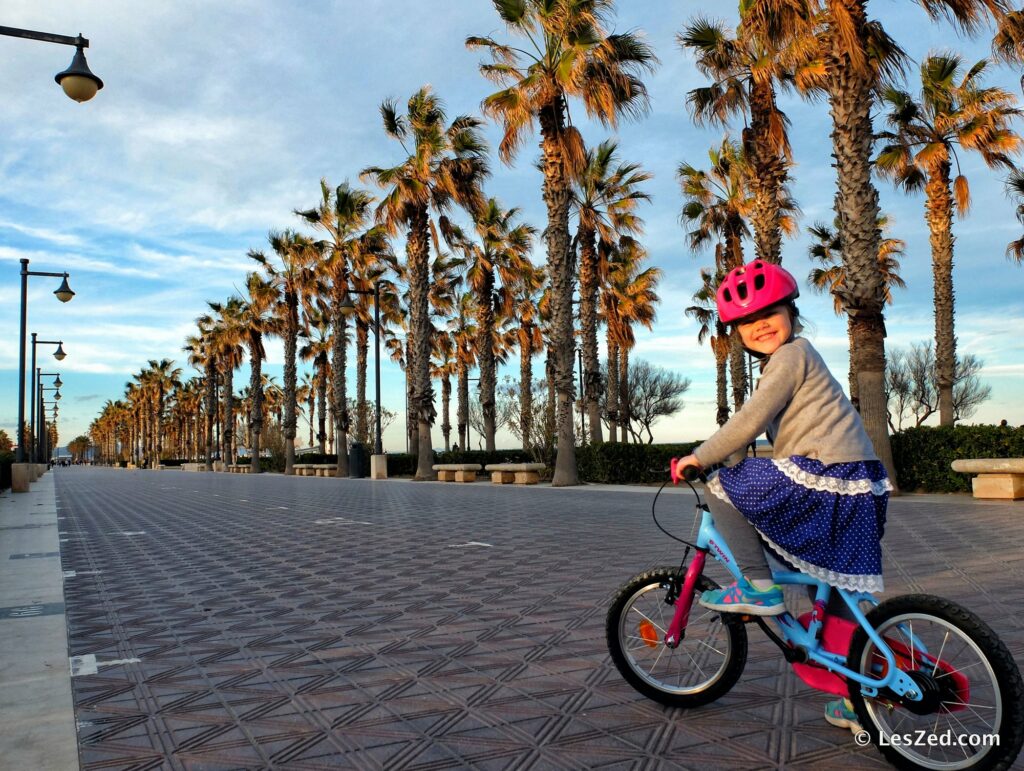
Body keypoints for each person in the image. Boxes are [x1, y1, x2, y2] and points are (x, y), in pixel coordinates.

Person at [673, 259, 892, 734]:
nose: (760, 325)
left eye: (769, 312)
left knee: (721, 484)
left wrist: (700, 456)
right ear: (737, 334)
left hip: (829, 474)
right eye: (747, 322)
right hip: (857, 483)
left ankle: (757, 585)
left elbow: (750, 420)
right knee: (829, 585)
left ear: (791, 312)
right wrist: (734, 454)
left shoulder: (793, 356)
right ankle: (852, 695)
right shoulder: (793, 362)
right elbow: (773, 428)